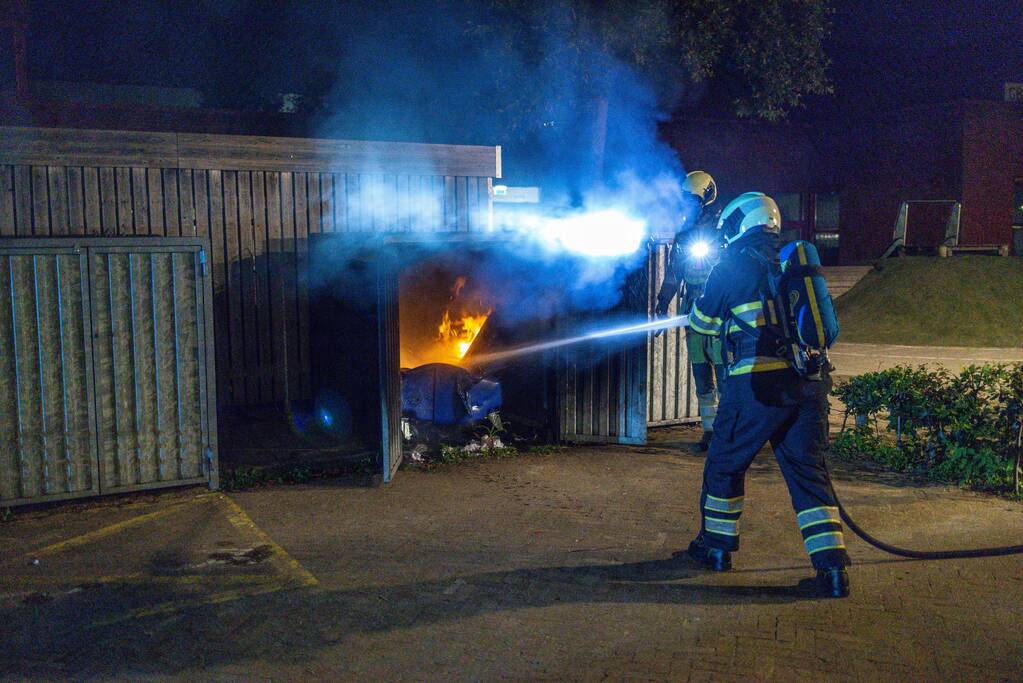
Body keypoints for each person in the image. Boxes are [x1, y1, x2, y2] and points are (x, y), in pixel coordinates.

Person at [684, 191, 852, 598]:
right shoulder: (794, 261)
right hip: (807, 388)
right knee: (808, 476)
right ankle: (832, 572)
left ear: (739, 224)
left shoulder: (731, 265)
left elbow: (703, 325)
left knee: (724, 465)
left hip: (756, 387)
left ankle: (717, 550)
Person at [654, 170, 727, 452]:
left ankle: (726, 434)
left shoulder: (722, 232)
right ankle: (709, 431)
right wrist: (661, 305)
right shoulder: (683, 235)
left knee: (724, 377)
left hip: (719, 315)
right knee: (701, 376)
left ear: (705, 199)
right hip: (692, 314)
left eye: (692, 201)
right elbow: (673, 274)